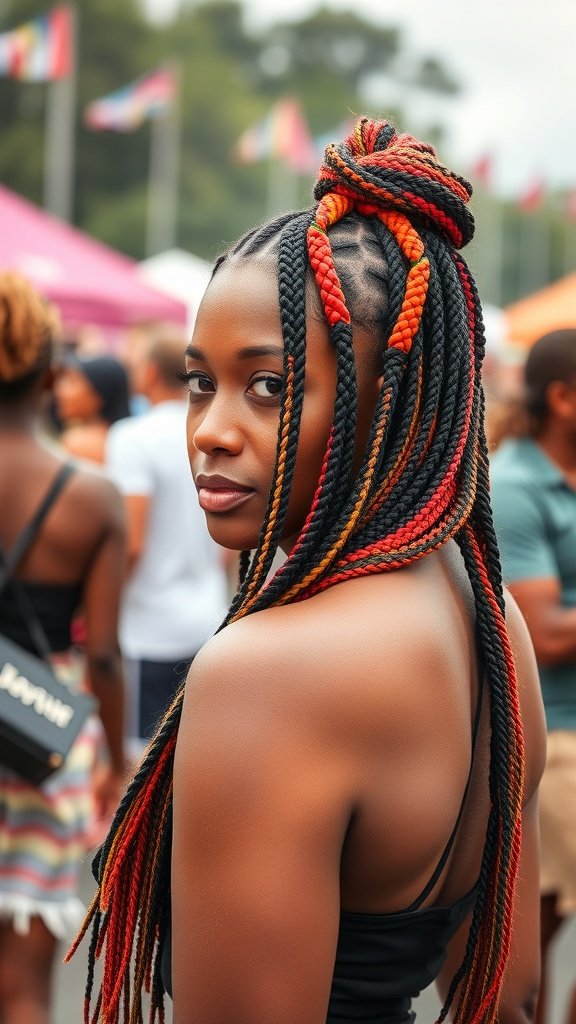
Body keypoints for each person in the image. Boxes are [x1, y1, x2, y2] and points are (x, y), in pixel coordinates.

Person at [71, 119, 546, 1024]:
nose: (212, 430)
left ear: (391, 397)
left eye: (270, 387)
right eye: (199, 381)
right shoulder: (493, 625)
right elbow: (507, 992)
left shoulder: (269, 675)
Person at [0, 272, 127, 1023]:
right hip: (38, 731)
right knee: (23, 983)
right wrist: (113, 757)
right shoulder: (91, 497)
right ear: (51, 374)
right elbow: (104, 653)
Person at [491, 328, 576, 1024]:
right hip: (555, 745)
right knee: (529, 961)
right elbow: (544, 636)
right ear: (563, 399)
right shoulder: (517, 486)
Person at [105, 327, 228, 758]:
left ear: (150, 372)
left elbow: (132, 543)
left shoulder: (131, 438)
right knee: (194, 755)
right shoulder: (210, 429)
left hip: (149, 629)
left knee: (141, 763)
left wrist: (101, 605)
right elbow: (228, 543)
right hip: (207, 618)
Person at [54, 354, 131, 463]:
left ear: (99, 394)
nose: (60, 390)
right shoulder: (125, 442)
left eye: (72, 382)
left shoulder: (78, 443)